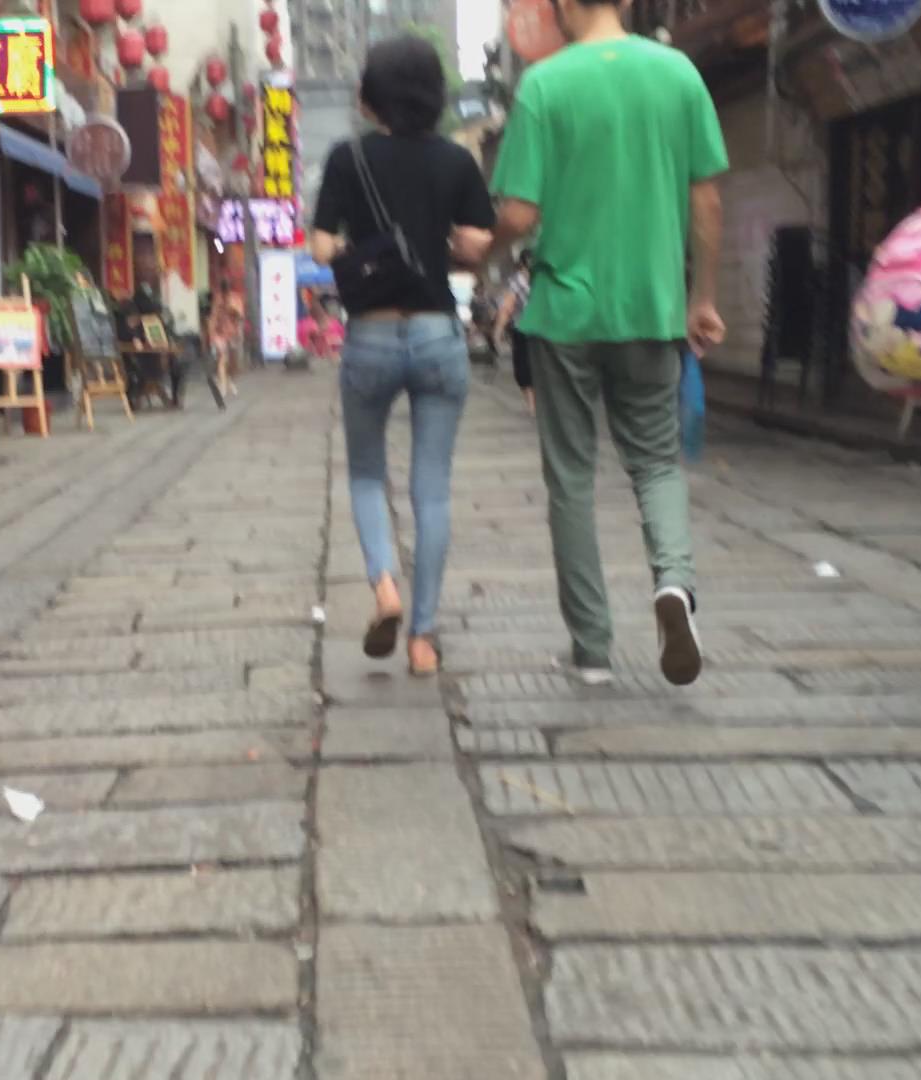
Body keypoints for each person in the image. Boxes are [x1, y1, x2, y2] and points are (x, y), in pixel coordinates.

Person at [490, 0, 727, 687]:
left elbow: (519, 214)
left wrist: (483, 249)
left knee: (571, 478)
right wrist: (702, 297)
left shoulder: (544, 85)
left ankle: (591, 650)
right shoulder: (678, 74)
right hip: (651, 308)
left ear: (563, 4)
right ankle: (673, 584)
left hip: (564, 312)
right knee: (655, 463)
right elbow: (707, 201)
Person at [311, 34, 494, 676]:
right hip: (438, 334)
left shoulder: (348, 158)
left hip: (370, 335)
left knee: (366, 474)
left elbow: (320, 248)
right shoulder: (456, 160)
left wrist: (362, 251)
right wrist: (433, 246)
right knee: (431, 488)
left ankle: (385, 587)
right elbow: (476, 245)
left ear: (371, 98)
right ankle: (422, 639)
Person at [494, 248, 536, 412]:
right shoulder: (542, 279)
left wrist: (498, 332)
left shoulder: (517, 281)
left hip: (524, 329)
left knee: (524, 369)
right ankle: (537, 405)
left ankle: (533, 406)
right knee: (537, 368)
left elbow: (507, 307)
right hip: (542, 329)